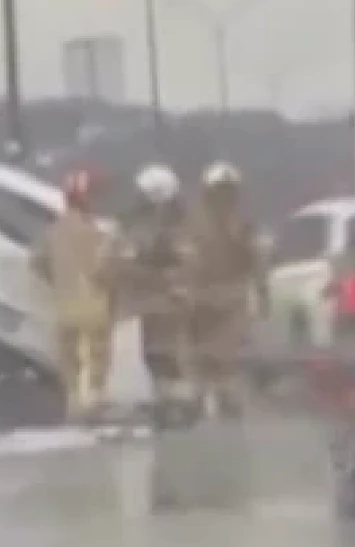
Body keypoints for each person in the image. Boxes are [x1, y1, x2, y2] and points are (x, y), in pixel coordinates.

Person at [182, 161, 270, 420]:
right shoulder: (227, 225)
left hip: (223, 300)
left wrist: (262, 293)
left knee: (221, 361)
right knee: (212, 360)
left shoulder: (234, 225)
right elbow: (257, 262)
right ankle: (207, 401)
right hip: (214, 300)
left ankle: (213, 402)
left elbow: (257, 261)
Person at [31, 168, 117, 424]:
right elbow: (108, 269)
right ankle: (92, 405)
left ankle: (74, 407)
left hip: (64, 307)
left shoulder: (52, 232)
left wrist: (57, 280)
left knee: (70, 361)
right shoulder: (99, 233)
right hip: (95, 306)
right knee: (97, 358)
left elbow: (36, 262)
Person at [117, 164, 193, 427]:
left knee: (168, 357)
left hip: (169, 302)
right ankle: (169, 405)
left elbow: (183, 263)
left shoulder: (177, 230)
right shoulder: (148, 225)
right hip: (154, 302)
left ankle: (180, 407)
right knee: (155, 356)